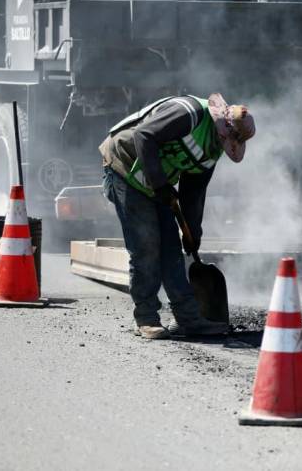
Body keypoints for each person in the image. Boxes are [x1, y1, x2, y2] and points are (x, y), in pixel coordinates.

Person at [99, 94, 256, 339]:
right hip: (124, 168)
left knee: (172, 250)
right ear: (220, 124)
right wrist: (160, 185)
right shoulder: (188, 114)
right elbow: (144, 136)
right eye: (223, 138)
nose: (222, 144)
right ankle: (147, 318)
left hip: (156, 183)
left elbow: (193, 193)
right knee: (146, 246)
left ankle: (189, 319)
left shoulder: (213, 151)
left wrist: (192, 232)